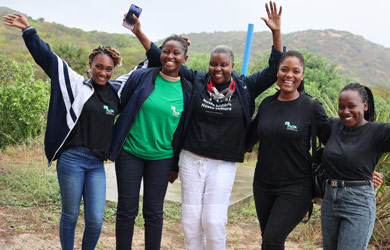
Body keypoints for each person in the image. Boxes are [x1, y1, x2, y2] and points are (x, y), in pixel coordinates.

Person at [129, 1, 284, 249]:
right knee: (190, 221)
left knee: (212, 221)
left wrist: (276, 32)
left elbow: (274, 68)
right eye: (214, 64)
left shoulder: (246, 87)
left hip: (222, 164)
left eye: (224, 65)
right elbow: (164, 59)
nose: (218, 69)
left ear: (232, 67)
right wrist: (138, 32)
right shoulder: (198, 80)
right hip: (191, 160)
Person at [3, 14, 123, 250]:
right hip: (72, 159)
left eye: (109, 69)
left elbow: (147, 67)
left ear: (113, 70)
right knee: (69, 215)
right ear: (90, 65)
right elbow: (48, 59)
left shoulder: (116, 92)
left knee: (95, 221)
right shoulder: (76, 84)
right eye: (98, 67)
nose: (103, 73)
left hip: (97, 164)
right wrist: (29, 31)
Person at [108, 35, 193, 249]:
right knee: (126, 210)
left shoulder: (188, 91)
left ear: (185, 58)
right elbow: (121, 104)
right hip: (129, 153)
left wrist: (175, 165)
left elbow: (182, 131)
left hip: (161, 158)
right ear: (160, 53)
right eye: (166, 51)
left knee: (154, 213)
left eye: (176, 53)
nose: (170, 56)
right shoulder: (142, 77)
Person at [251, 50, 330, 249]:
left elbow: (334, 143)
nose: (289, 75)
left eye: (295, 71)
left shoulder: (311, 106)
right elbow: (247, 138)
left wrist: (362, 168)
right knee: (268, 239)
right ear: (277, 72)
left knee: (273, 238)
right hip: (262, 184)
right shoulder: (267, 105)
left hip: (296, 186)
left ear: (302, 75)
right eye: (284, 69)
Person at [321, 83, 390, 250]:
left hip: (358, 203)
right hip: (329, 200)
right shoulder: (333, 126)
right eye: (341, 107)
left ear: (365, 105)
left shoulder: (378, 132)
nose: (346, 112)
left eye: (351, 106)